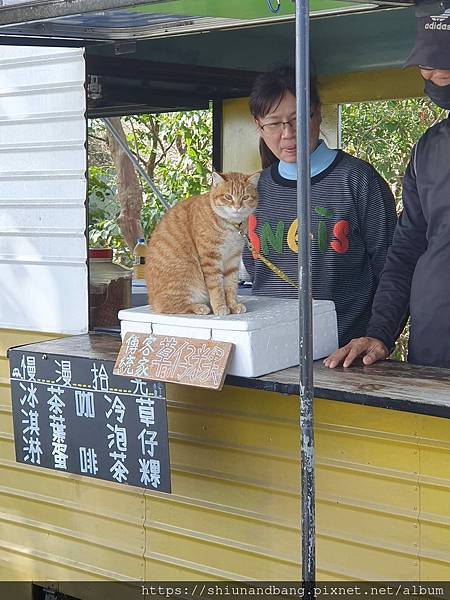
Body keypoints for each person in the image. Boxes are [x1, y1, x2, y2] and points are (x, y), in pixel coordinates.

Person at [324, 9, 450, 369]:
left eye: (447, 61)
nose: (437, 74)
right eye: (429, 63)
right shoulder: (429, 149)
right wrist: (380, 332)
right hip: (433, 354)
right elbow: (408, 248)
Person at [243, 66, 397, 346]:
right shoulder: (255, 191)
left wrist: (378, 336)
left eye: (298, 118)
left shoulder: (357, 180)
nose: (288, 133)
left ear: (317, 112)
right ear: (258, 125)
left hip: (345, 352)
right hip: (268, 348)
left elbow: (391, 268)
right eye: (275, 124)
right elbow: (253, 268)